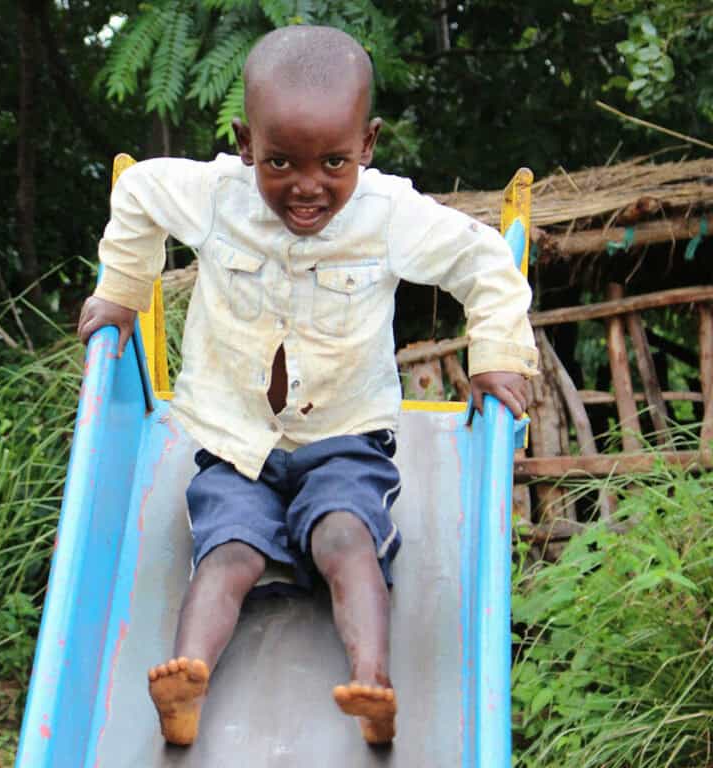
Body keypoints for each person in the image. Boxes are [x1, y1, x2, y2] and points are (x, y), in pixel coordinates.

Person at [77, 24, 537, 748]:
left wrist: (497, 354)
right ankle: (186, 679)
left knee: (347, 539)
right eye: (279, 161)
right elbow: (137, 192)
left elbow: (482, 260)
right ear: (242, 141)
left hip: (345, 435)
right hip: (236, 441)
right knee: (226, 552)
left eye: (333, 161)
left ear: (369, 144)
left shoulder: (387, 215)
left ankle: (373, 680)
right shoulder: (215, 196)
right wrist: (124, 291)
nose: (306, 185)